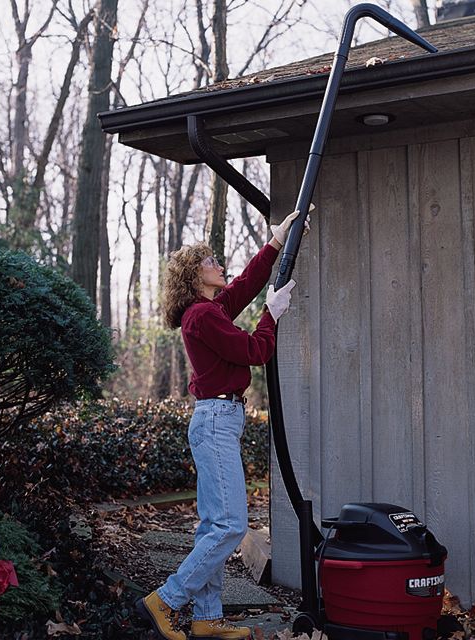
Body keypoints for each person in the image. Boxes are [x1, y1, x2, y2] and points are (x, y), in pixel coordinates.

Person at [136, 209, 307, 640]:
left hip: (218, 418)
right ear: (194, 277)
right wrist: (271, 315)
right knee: (231, 525)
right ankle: (168, 599)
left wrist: (275, 242)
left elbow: (246, 285)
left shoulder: (209, 310)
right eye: (211, 262)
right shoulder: (202, 316)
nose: (220, 266)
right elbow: (254, 350)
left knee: (213, 524)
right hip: (215, 421)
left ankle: (207, 618)